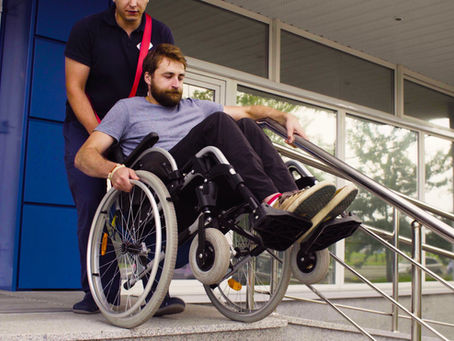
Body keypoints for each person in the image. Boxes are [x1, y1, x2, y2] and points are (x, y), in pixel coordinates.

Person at [75, 43, 358, 310]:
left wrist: (283, 116)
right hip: (162, 184)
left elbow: (249, 111)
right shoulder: (128, 108)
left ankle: (292, 202)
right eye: (168, 76)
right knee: (221, 122)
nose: (176, 83)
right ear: (148, 78)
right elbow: (84, 156)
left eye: (181, 77)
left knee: (246, 124)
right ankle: (273, 199)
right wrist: (113, 169)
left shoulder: (196, 107)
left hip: (200, 183)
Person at [64, 0, 176, 314]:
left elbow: (164, 83)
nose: (133, 3)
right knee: (91, 204)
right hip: (87, 125)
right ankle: (100, 291)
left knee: (150, 202)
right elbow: (75, 88)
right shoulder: (87, 29)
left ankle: (157, 291)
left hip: (137, 127)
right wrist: (103, 134)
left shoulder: (161, 32)